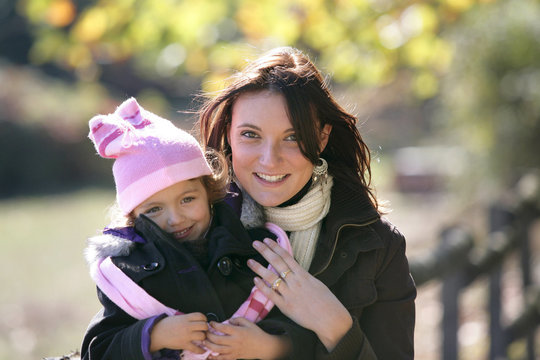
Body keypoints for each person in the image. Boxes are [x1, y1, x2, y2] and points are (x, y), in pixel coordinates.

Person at [197, 46, 417, 359]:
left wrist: (335, 325)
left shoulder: (379, 247)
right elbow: (113, 339)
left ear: (322, 137)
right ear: (229, 134)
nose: (269, 160)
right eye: (250, 135)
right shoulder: (193, 227)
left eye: (292, 137)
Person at [81, 98, 314, 360]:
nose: (176, 219)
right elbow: (99, 350)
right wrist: (154, 335)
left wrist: (267, 346)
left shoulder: (253, 251)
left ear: (209, 192)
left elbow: (306, 337)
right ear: (133, 216)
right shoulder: (129, 272)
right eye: (154, 209)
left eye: (188, 200)